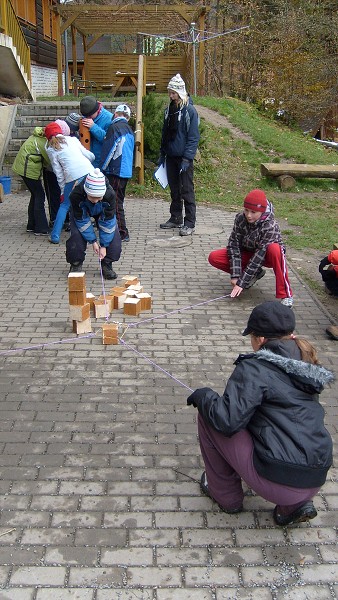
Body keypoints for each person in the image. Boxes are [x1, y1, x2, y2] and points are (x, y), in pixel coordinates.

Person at [187, 301, 333, 526]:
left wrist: (204, 396)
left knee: (210, 416)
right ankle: (293, 507)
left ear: (261, 340)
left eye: (252, 336)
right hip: (315, 476)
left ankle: (226, 495)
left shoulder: (255, 368)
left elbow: (226, 421)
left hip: (279, 480)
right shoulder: (304, 360)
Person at [209, 189, 294, 306]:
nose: (248, 215)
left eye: (253, 212)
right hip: (249, 252)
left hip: (266, 256)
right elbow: (234, 246)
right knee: (214, 257)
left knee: (275, 249)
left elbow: (258, 257)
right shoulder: (240, 218)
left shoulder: (270, 226)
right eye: (246, 210)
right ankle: (255, 274)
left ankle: (286, 294)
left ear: (262, 211)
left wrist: (241, 283)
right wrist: (236, 275)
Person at [158, 74, 200, 236]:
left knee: (187, 190)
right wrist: (162, 153)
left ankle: (190, 222)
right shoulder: (169, 110)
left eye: (173, 93)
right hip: (171, 156)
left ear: (180, 92)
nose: (171, 96)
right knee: (174, 189)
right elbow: (165, 133)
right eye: (169, 92)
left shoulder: (190, 110)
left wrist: (187, 158)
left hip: (184, 158)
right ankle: (176, 217)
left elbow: (193, 137)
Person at [66, 168, 121, 280]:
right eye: (92, 197)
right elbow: (82, 221)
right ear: (86, 192)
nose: (95, 201)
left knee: (114, 239)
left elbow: (108, 223)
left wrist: (104, 246)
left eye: (98, 197)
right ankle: (76, 263)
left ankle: (107, 264)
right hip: (81, 212)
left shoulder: (110, 195)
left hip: (103, 212)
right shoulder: (76, 195)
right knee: (76, 236)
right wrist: (94, 242)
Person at [45, 121, 95, 244]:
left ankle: (55, 236)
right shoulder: (72, 140)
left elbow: (58, 173)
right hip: (89, 173)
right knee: (92, 201)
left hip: (72, 178)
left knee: (64, 205)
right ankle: (94, 233)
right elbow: (90, 156)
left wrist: (63, 190)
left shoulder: (51, 149)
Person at [100, 103, 135, 242]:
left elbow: (110, 150)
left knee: (114, 201)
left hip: (115, 170)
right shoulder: (129, 129)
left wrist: (102, 168)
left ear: (115, 114)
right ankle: (114, 228)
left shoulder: (113, 128)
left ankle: (122, 232)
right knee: (119, 200)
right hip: (125, 170)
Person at [12, 126, 51, 235]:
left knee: (35, 195)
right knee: (40, 195)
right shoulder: (42, 142)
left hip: (23, 168)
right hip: (28, 171)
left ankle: (32, 225)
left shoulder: (36, 136)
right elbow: (49, 160)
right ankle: (41, 228)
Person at [79, 96, 113, 167]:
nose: (87, 118)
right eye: (85, 116)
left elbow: (108, 139)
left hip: (102, 161)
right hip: (88, 160)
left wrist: (93, 127)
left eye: (90, 116)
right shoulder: (87, 116)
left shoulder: (109, 118)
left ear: (97, 110)